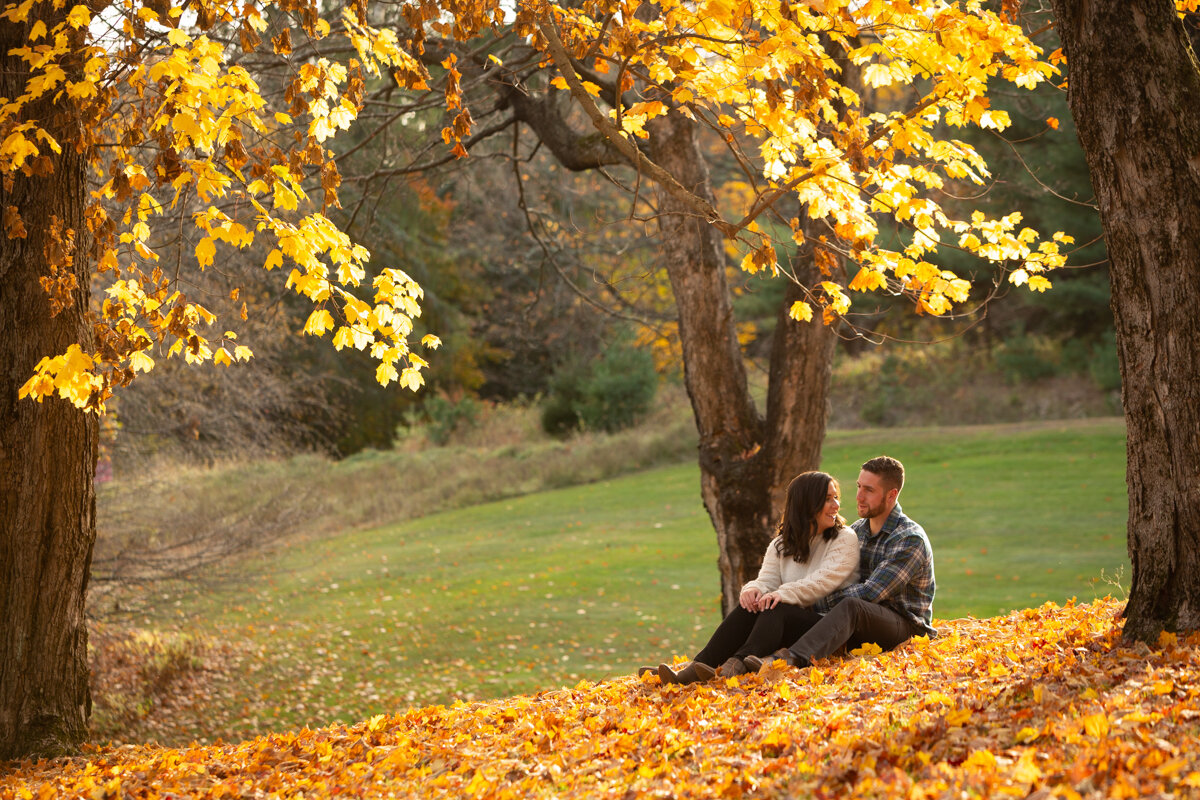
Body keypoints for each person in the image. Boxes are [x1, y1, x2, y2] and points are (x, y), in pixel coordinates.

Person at [651, 471, 861, 685]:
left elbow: (824, 581)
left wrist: (780, 594)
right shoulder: (781, 544)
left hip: (825, 628)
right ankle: (696, 668)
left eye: (836, 497)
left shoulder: (844, 538)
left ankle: (737, 664)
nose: (835, 504)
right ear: (806, 502)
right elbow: (767, 581)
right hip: (787, 621)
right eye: (827, 499)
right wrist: (753, 590)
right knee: (751, 606)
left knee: (775, 606)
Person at [743, 455, 935, 672]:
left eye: (869, 490)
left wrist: (811, 601)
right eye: (859, 486)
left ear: (891, 495)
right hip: (853, 626)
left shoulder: (909, 539)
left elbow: (872, 593)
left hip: (905, 628)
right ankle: (733, 661)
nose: (859, 497)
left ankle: (792, 659)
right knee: (782, 608)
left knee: (853, 605)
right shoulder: (857, 531)